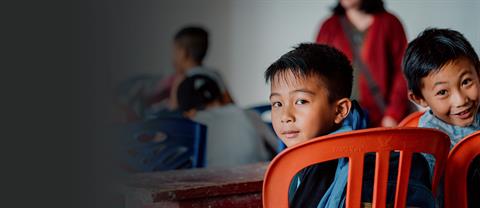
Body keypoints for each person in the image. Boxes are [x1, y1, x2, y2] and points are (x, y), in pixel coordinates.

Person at [266, 43, 434, 207]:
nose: (285, 116)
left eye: (301, 101)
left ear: (340, 110)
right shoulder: (293, 161)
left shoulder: (325, 163)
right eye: (277, 104)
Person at [402, 28, 480, 207]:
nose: (461, 100)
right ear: (419, 99)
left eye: (466, 82)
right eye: (443, 92)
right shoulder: (426, 144)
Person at [316, 0, 409, 127]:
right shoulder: (329, 26)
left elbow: (403, 72)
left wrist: (393, 114)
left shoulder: (390, 22)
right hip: (342, 118)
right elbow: (318, 74)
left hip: (382, 117)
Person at [176, 74, 269, 168]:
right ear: (223, 96)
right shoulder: (249, 114)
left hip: (212, 180)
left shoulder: (191, 125)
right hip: (258, 178)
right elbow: (279, 148)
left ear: (188, 112)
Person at [147, 26, 233, 111]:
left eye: (174, 51)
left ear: (182, 53)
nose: (173, 57)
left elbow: (174, 111)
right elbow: (229, 104)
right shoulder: (215, 75)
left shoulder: (181, 79)